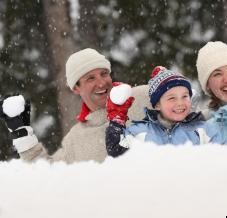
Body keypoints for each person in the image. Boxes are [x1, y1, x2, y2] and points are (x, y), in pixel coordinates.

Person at [0, 48, 151, 163]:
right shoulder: (75, 139)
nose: (102, 82)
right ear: (76, 88)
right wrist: (22, 135)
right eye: (90, 78)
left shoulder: (143, 97)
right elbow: (47, 175)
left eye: (104, 73)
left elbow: (174, 96)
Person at [105, 66, 227, 157]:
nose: (180, 103)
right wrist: (117, 120)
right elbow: (117, 152)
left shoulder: (203, 130)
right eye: (172, 98)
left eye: (185, 96)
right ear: (157, 104)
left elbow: (222, 158)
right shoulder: (140, 132)